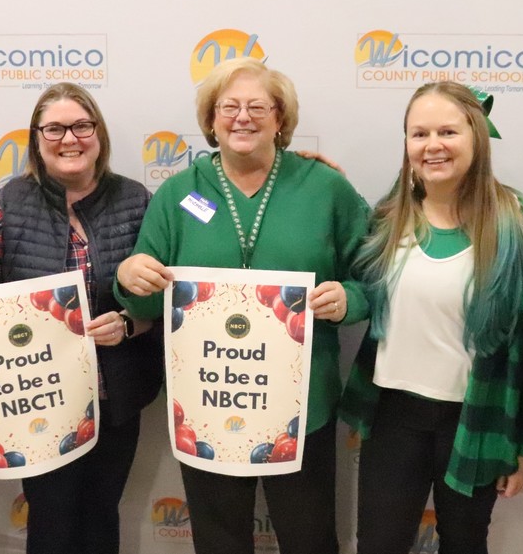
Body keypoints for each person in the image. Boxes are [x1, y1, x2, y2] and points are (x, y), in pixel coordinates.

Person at [114, 57, 370, 554]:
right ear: (211, 120)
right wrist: (129, 277)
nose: (242, 117)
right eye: (228, 107)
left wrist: (350, 299)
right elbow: (143, 301)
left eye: (258, 106)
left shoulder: (326, 189)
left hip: (301, 406)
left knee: (310, 540)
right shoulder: (179, 194)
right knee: (219, 542)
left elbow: (373, 280)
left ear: (280, 118)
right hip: (209, 402)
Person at [341, 81, 523, 554]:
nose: (432, 145)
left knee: (464, 542)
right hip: (394, 414)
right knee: (378, 543)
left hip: (475, 416)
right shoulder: (388, 220)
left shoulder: (521, 229)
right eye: (419, 134)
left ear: (476, 136)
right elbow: (358, 291)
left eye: (448, 131)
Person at [0, 82, 162, 554]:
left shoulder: (136, 201)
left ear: (99, 134)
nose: (70, 139)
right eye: (55, 129)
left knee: (102, 513)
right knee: (51, 518)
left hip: (115, 395)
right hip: (36, 400)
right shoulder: (3, 207)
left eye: (82, 126)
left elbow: (161, 303)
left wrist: (128, 323)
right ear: (36, 138)